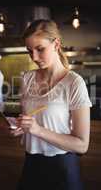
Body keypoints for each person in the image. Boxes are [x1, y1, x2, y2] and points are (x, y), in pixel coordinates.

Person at [12, 19, 92, 190]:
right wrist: (20, 125)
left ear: (56, 44)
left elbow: (82, 145)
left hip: (61, 167)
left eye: (40, 49)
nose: (34, 57)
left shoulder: (74, 83)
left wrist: (37, 130)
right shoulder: (27, 78)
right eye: (29, 51)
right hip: (31, 163)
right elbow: (29, 118)